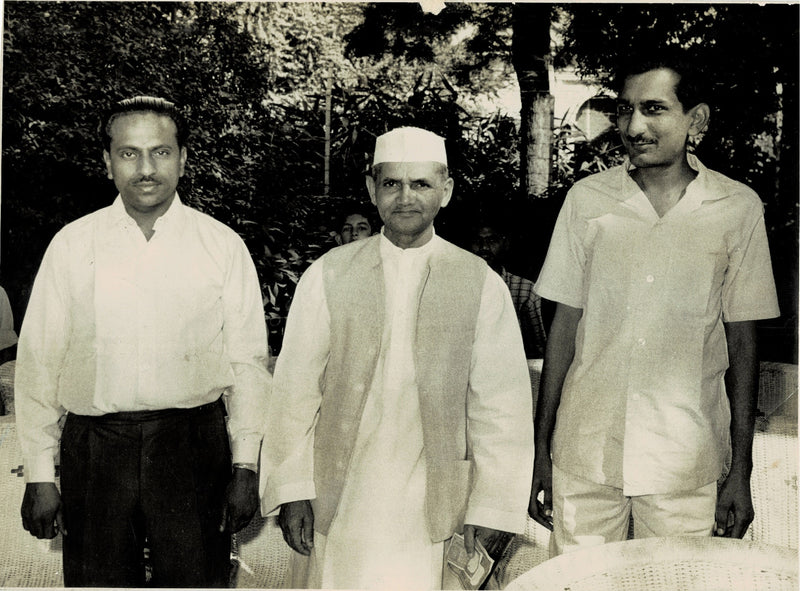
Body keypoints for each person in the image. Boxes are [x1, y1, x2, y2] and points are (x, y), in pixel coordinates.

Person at [528, 52, 780, 557]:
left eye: (654, 108)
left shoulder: (737, 208)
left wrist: (742, 470)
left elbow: (743, 343)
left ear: (696, 119)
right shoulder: (587, 200)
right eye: (625, 109)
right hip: (584, 456)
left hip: (683, 463)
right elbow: (563, 331)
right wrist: (541, 450)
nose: (634, 126)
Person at [260, 126, 533, 589]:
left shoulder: (480, 283)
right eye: (391, 183)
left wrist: (494, 507)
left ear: (446, 191)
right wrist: (292, 490)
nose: (405, 197)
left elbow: (501, 409)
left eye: (421, 183)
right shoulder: (328, 274)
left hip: (433, 503)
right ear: (372, 189)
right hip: (340, 497)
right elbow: (294, 394)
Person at [15, 96, 271, 587]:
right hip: (96, 449)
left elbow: (247, 364)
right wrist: (40, 475)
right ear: (107, 161)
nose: (146, 168)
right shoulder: (73, 244)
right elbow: (39, 363)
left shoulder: (221, 245)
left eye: (161, 151)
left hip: (192, 446)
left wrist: (245, 464)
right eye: (129, 153)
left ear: (184, 159)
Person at [470, 222, 547, 358]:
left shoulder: (525, 290)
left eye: (492, 241)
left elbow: (538, 348)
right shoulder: (459, 287)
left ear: (505, 244)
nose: (484, 247)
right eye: (477, 241)